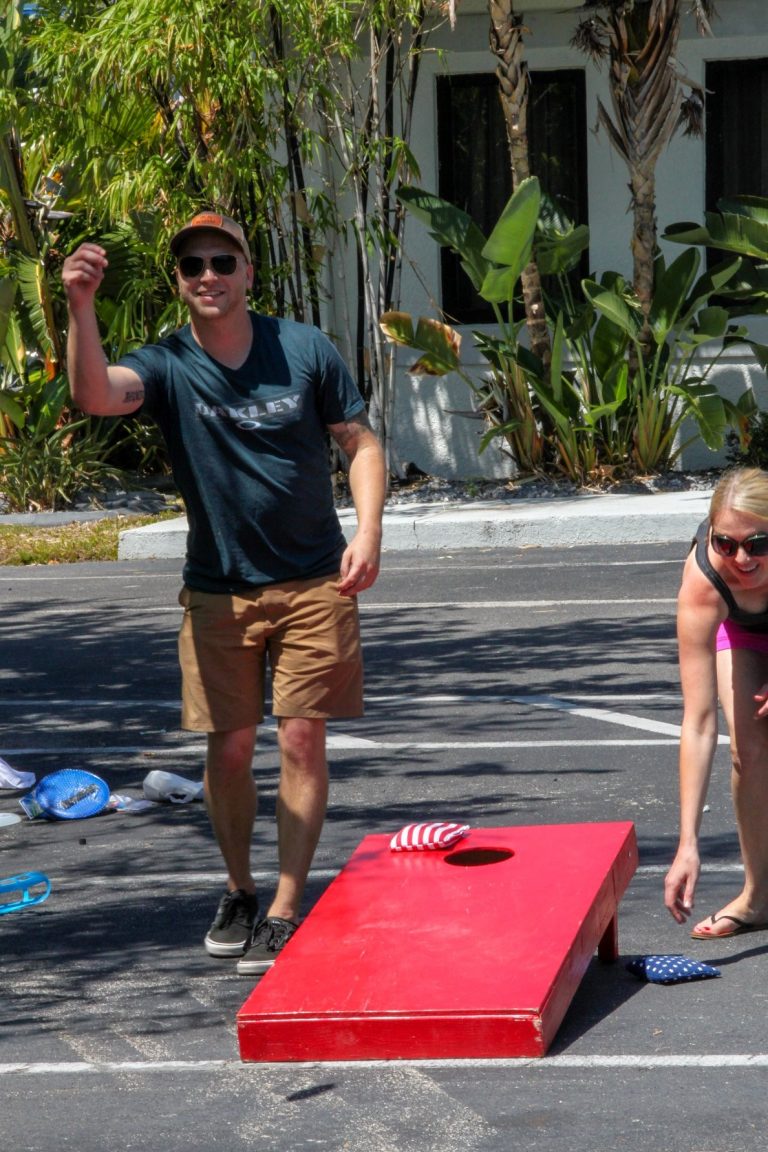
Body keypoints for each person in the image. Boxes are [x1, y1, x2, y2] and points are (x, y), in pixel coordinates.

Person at [62, 211, 386, 974]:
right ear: (180, 283)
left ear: (247, 271)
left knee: (302, 737)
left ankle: (283, 904)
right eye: (192, 266)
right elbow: (97, 397)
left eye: (221, 261)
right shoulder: (170, 362)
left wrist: (368, 531)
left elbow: (359, 442)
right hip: (218, 589)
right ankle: (239, 888)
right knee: (230, 748)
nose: (207, 275)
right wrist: (81, 307)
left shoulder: (303, 348)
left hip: (315, 580)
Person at [665, 467, 768, 940]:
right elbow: (700, 721)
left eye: (758, 545)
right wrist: (688, 843)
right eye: (726, 543)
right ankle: (757, 898)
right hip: (743, 633)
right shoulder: (703, 581)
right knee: (746, 745)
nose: (741, 559)